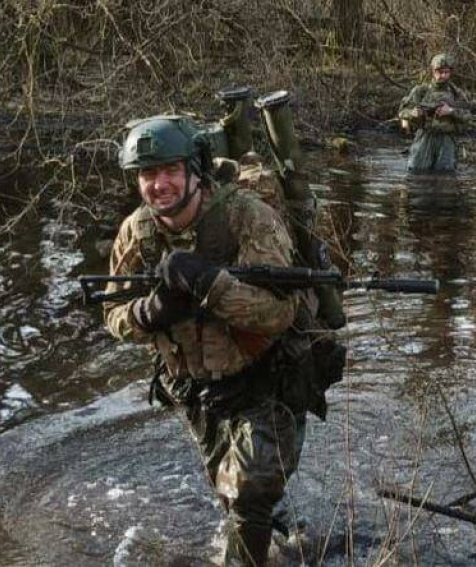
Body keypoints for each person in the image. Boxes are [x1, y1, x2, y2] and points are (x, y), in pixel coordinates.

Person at [103, 115, 307, 566]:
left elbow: (280, 313)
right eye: (147, 174)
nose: (159, 185)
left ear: (194, 169)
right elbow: (113, 314)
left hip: (265, 380)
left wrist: (211, 287)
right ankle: (284, 540)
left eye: (170, 170)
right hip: (196, 390)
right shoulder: (138, 233)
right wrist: (148, 312)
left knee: (247, 492)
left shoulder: (247, 217)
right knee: (230, 495)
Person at [398, 53, 472, 172]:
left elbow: (468, 116)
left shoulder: (456, 93)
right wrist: (413, 113)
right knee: (416, 172)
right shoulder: (420, 91)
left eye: (446, 72)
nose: (443, 75)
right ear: (433, 71)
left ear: (450, 72)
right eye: (439, 71)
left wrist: (451, 111)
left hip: (447, 139)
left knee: (446, 174)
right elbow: (402, 112)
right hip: (425, 137)